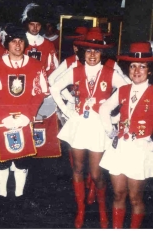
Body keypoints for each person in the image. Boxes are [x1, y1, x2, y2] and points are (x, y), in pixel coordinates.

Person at [49, 29, 129, 229]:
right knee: (77, 168)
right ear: (82, 52)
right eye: (88, 51)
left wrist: (114, 114)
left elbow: (127, 91)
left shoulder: (110, 72)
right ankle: (81, 210)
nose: (92, 55)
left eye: (96, 51)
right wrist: (67, 109)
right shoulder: (75, 70)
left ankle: (102, 210)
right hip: (79, 123)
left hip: (99, 125)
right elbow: (54, 87)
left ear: (102, 53)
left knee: (96, 174)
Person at [0, 24, 48, 212]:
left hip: (25, 120)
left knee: (22, 158)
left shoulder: (37, 65)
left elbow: (39, 93)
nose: (17, 44)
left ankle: (19, 196)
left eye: (21, 41)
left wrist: (28, 115)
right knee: (2, 159)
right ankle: (2, 196)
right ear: (7, 44)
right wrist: (4, 115)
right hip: (2, 120)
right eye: (13, 41)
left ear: (25, 44)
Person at [99, 41, 153, 229]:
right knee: (118, 194)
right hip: (120, 147)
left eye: (142, 66)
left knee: (135, 198)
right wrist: (110, 130)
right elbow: (104, 108)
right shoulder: (123, 90)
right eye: (132, 66)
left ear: (149, 70)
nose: (137, 70)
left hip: (140, 149)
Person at [20, 3, 59, 76]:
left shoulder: (48, 44)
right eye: (32, 24)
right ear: (27, 25)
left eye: (38, 24)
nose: (35, 28)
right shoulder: (19, 41)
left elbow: (53, 68)